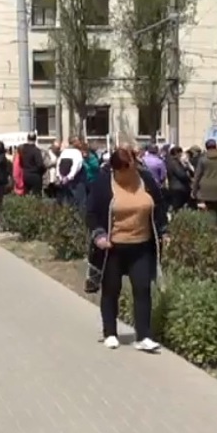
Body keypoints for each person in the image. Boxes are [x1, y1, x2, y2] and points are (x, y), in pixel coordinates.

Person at [85, 145, 167, 353]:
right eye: (124, 169)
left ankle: (144, 336)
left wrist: (164, 231)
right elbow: (91, 213)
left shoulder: (146, 180)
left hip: (141, 246)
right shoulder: (104, 184)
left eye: (131, 167)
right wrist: (99, 235)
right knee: (111, 290)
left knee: (143, 289)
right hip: (112, 248)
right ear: (115, 169)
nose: (129, 172)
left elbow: (159, 206)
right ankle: (110, 333)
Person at [192, 139, 217, 221]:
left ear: (206, 147)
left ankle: (212, 225)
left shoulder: (203, 160)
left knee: (209, 209)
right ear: (216, 147)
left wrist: (194, 191)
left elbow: (197, 176)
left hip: (206, 188)